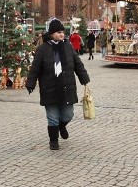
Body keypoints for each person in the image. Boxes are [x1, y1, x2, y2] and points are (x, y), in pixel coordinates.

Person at [25, 19, 90, 150]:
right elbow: (35, 68)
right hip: (49, 87)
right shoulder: (42, 49)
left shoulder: (68, 46)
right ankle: (53, 140)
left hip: (67, 86)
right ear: (51, 33)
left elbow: (78, 64)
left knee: (68, 114)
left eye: (63, 32)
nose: (62, 35)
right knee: (53, 117)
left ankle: (62, 126)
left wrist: (84, 78)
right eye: (59, 32)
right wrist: (30, 83)